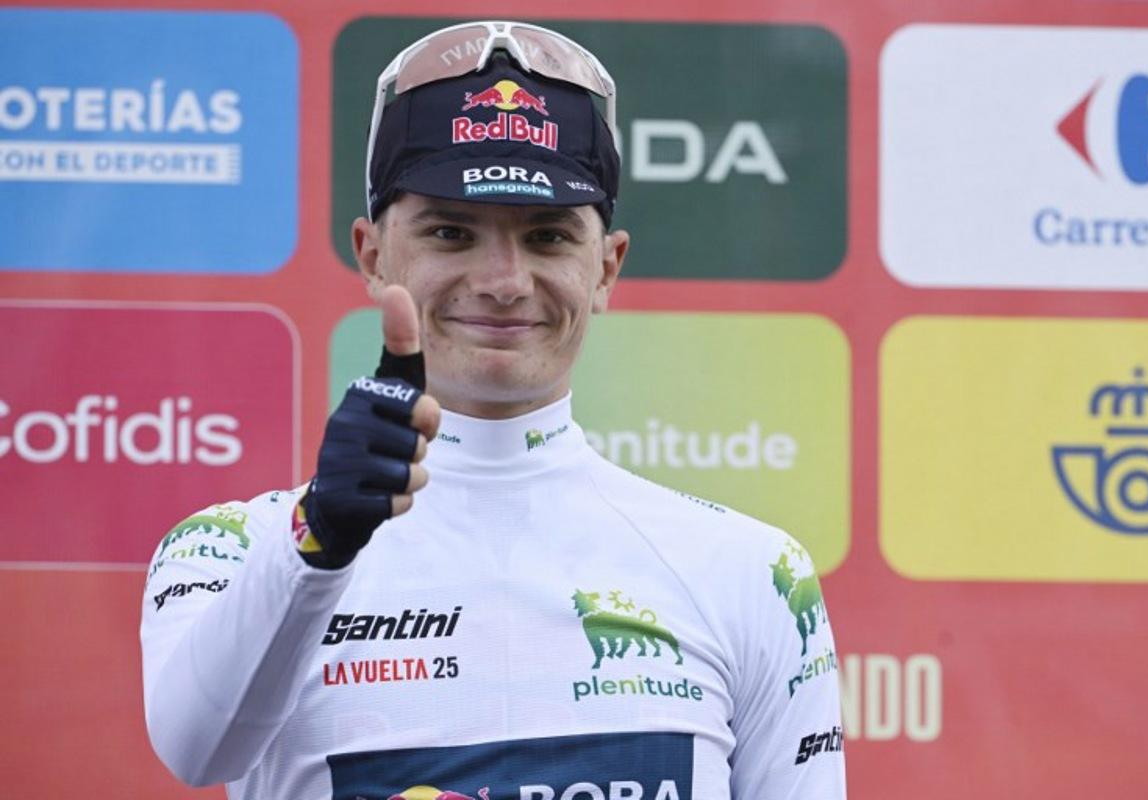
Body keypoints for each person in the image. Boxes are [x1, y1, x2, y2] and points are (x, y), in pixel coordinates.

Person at [140, 20, 845, 799]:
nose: (504, 280)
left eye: (546, 237)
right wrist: (318, 544)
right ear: (372, 255)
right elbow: (195, 752)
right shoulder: (238, 547)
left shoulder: (753, 571)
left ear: (606, 268)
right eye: (452, 231)